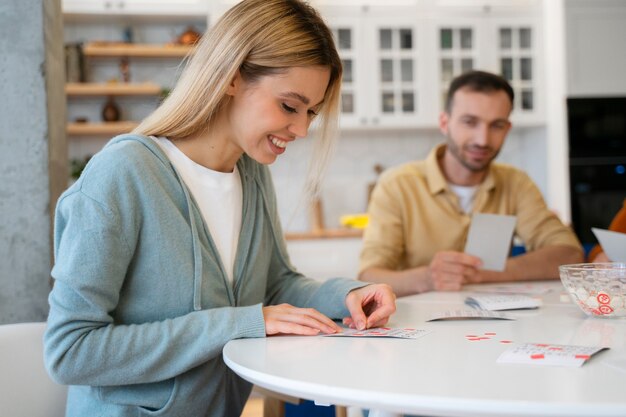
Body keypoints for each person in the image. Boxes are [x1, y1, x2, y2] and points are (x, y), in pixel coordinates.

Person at [43, 1, 396, 416]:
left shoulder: (251, 171)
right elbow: (71, 351)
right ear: (231, 77)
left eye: (311, 112)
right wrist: (241, 323)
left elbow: (277, 287)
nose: (301, 130)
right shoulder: (122, 176)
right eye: (289, 106)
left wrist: (350, 294)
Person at [359, 70, 584, 296]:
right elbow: (368, 276)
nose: (482, 139)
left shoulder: (516, 183)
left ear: (507, 129)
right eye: (470, 122)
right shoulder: (397, 185)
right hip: (417, 323)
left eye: (496, 125)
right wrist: (428, 277)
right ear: (444, 123)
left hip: (496, 323)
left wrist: (484, 273)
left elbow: (569, 254)